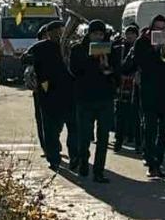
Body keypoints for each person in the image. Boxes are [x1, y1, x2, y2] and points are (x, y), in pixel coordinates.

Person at [122, 16, 165, 180]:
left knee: (164, 130)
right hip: (149, 90)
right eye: (157, 28)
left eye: (163, 29)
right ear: (151, 29)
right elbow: (132, 64)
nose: (160, 32)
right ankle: (151, 162)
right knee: (149, 128)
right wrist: (153, 49)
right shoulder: (142, 42)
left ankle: (159, 161)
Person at [69, 20, 119, 182]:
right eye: (95, 34)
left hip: (105, 98)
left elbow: (116, 73)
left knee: (103, 138)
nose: (98, 37)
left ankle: (99, 171)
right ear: (89, 34)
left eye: (100, 34)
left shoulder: (110, 50)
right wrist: (91, 59)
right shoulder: (78, 49)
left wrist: (107, 68)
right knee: (84, 136)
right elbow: (74, 70)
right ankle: (83, 160)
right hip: (85, 98)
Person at [22, 19, 74, 171]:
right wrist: (33, 61)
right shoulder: (40, 47)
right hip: (48, 90)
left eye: (62, 31)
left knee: (72, 128)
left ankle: (75, 156)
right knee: (50, 128)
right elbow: (24, 58)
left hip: (69, 91)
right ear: (49, 34)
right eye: (56, 32)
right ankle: (54, 158)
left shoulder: (70, 46)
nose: (60, 34)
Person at [112, 24, 142, 152]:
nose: (129, 36)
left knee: (136, 116)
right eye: (127, 33)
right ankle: (118, 141)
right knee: (120, 114)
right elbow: (118, 66)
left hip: (136, 85)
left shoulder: (141, 49)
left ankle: (137, 143)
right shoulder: (119, 48)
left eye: (132, 34)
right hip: (122, 84)